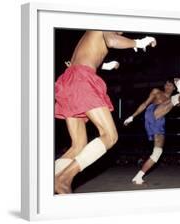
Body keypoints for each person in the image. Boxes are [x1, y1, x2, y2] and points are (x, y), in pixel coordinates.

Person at [54, 31, 157, 194]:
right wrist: (138, 42)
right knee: (110, 136)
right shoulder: (104, 18)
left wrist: (105, 65)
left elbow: (86, 56)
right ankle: (63, 179)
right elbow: (111, 40)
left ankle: (49, 178)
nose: (121, 31)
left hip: (69, 80)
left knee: (78, 145)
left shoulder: (90, 33)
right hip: (82, 79)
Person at [124, 78, 180, 184]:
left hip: (160, 121)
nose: (167, 86)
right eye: (166, 84)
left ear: (173, 88)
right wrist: (132, 117)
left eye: (170, 85)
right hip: (152, 114)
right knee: (176, 98)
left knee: (157, 152)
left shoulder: (173, 100)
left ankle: (138, 177)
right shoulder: (157, 91)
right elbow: (144, 104)